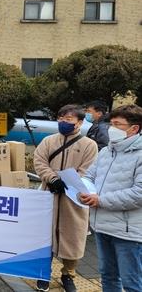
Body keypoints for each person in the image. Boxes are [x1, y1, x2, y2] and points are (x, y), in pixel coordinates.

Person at [33, 104, 98, 292]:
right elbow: (39, 161)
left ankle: (68, 274)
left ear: (79, 121)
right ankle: (43, 273)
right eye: (60, 118)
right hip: (49, 195)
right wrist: (52, 179)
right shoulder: (49, 141)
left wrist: (68, 183)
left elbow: (88, 170)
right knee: (45, 237)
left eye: (68, 119)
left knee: (74, 238)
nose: (63, 122)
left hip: (75, 199)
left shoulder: (89, 145)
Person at [79, 104, 142, 292]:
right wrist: (82, 187)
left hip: (128, 232)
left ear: (134, 128)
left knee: (132, 282)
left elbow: (139, 193)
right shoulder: (107, 151)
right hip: (102, 226)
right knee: (108, 276)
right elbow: (90, 176)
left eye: (117, 124)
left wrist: (100, 200)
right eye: (111, 124)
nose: (111, 129)